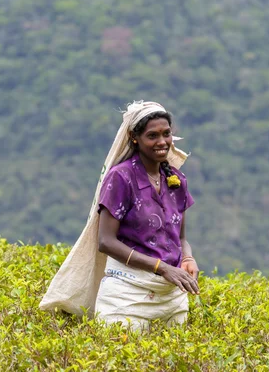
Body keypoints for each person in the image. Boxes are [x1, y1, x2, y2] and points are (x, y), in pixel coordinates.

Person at [40, 100, 200, 330]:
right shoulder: (122, 178)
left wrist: (187, 259)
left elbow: (181, 238)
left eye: (166, 134)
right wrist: (162, 267)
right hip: (126, 296)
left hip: (171, 299)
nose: (162, 142)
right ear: (135, 138)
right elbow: (106, 242)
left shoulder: (176, 179)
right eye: (152, 136)